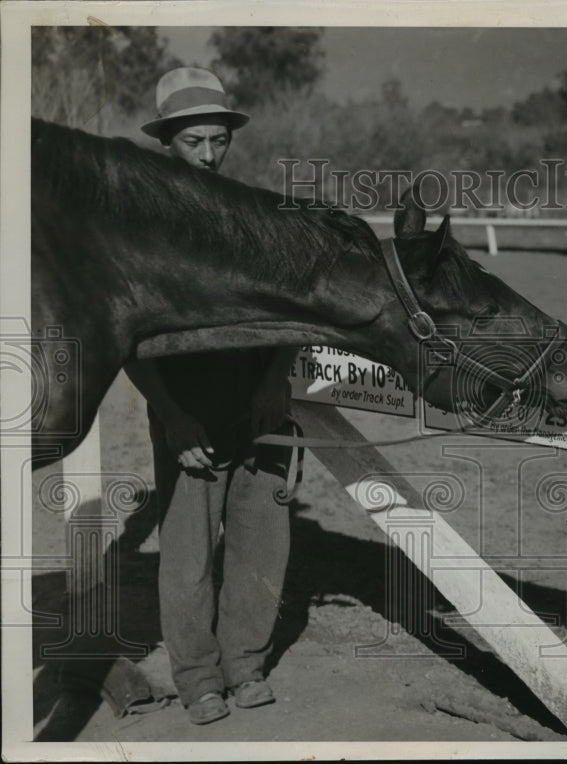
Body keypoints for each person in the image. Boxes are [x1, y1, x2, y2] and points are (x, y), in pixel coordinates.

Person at [125, 67, 300, 726]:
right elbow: (126, 340)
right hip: (187, 416)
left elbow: (294, 314)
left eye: (216, 139)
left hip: (263, 408)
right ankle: (198, 678)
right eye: (193, 141)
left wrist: (272, 382)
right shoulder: (141, 229)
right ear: (168, 141)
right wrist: (172, 415)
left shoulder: (258, 215)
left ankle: (244, 666)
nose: (207, 154)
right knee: (188, 558)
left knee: (262, 547)